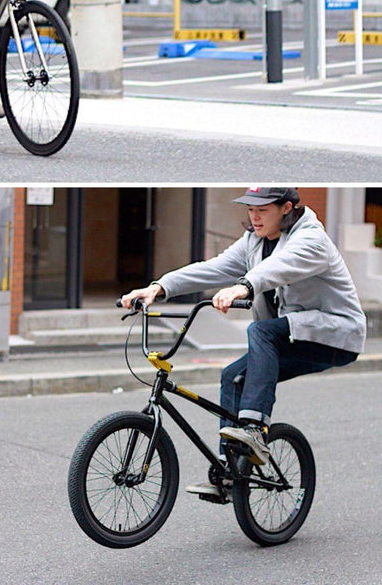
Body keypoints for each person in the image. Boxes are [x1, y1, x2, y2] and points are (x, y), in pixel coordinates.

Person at [121, 186, 365, 496]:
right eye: (250, 208)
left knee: (260, 332)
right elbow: (214, 268)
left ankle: (254, 430)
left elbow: (278, 267)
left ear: (287, 208)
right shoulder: (254, 241)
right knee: (232, 377)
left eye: (262, 209)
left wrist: (243, 287)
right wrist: (158, 287)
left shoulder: (312, 239)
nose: (254, 215)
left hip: (334, 336)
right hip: (290, 335)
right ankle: (230, 472)